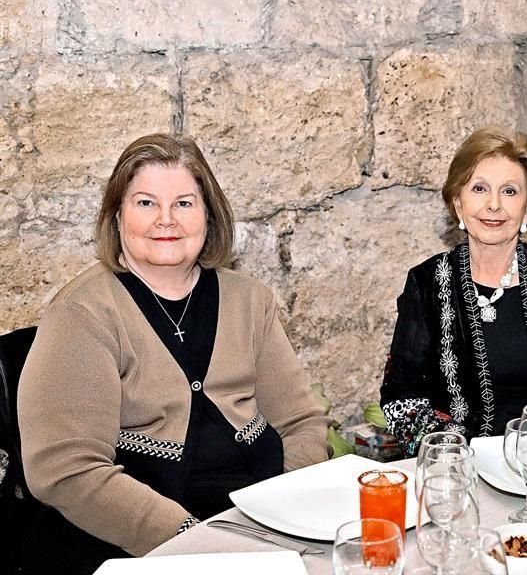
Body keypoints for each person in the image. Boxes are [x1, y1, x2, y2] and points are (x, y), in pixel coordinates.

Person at [18, 134, 329, 573]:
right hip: (131, 544)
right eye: (145, 203)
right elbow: (65, 470)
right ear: (117, 216)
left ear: (209, 215)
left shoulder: (249, 299)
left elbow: (302, 423)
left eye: (184, 203)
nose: (166, 220)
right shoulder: (82, 313)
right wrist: (196, 541)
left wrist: (275, 513)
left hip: (259, 529)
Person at [380, 126, 527, 457]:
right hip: (456, 471)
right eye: (479, 188)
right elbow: (401, 398)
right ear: (458, 203)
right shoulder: (426, 283)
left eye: (510, 191)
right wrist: (451, 455)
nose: (494, 205)